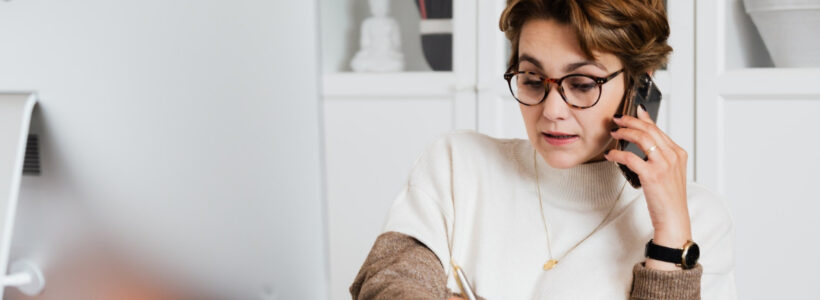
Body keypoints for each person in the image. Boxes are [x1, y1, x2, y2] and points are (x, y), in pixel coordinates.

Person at [350, 0, 737, 299]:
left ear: (641, 84)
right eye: (533, 80)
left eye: (583, 83)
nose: (551, 111)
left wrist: (670, 242)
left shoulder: (697, 220)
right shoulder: (457, 166)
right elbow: (389, 281)